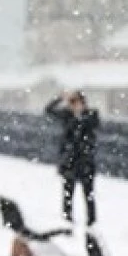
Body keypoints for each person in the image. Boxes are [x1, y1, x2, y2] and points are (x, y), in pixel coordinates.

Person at [45, 90, 100, 225]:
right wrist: (60, 98)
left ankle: (91, 221)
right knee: (68, 193)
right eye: (71, 102)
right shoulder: (67, 116)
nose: (73, 105)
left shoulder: (91, 115)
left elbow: (90, 128)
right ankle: (67, 219)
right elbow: (48, 110)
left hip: (85, 161)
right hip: (69, 161)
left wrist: (79, 116)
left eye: (76, 102)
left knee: (88, 194)